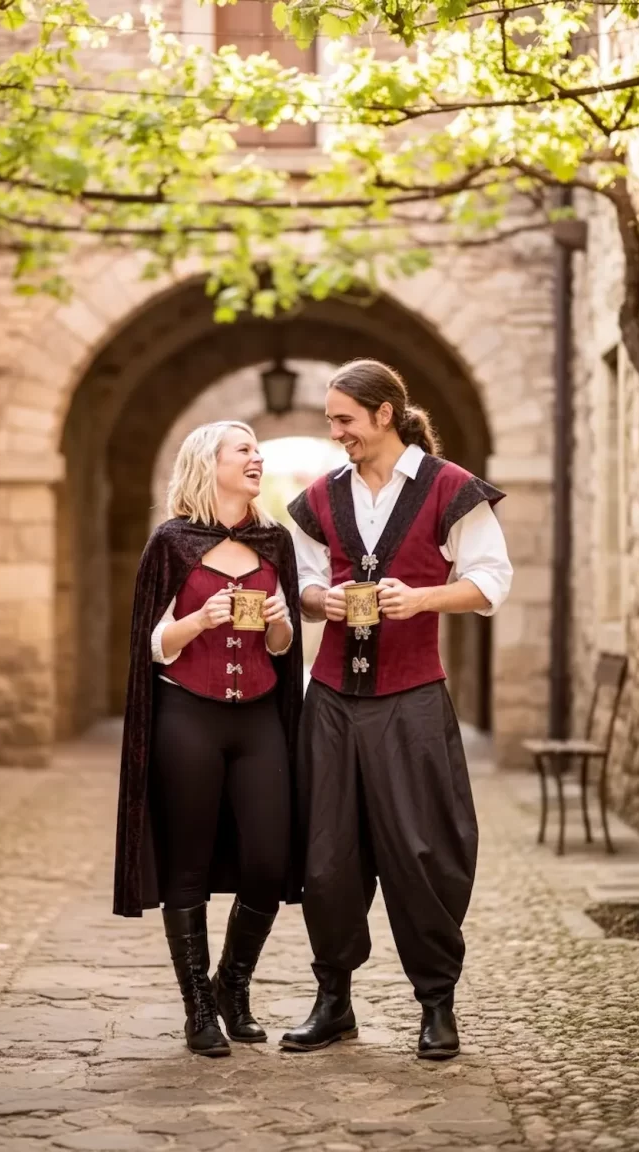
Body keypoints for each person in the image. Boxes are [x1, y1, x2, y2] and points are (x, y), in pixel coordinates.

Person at [282, 359, 512, 1060]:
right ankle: (334, 1001)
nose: (337, 433)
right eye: (331, 422)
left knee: (424, 853)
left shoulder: (449, 489)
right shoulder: (321, 496)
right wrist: (322, 600)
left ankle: (436, 1004)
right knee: (326, 858)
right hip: (330, 701)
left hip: (412, 699)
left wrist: (421, 599)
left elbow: (489, 580)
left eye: (345, 420)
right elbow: (304, 585)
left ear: (385, 414)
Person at [114, 421, 303, 1058]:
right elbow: (151, 646)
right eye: (243, 450)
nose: (257, 458)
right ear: (209, 464)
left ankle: (233, 985)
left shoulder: (275, 540)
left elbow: (282, 651)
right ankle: (199, 1007)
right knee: (187, 861)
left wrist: (280, 624)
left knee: (269, 859)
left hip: (256, 716)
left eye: (257, 451)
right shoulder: (171, 542)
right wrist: (199, 618)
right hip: (185, 713)